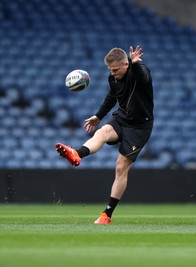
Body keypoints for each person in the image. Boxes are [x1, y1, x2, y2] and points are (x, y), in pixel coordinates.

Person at [56, 45, 154, 224]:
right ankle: (77, 154)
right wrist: (98, 116)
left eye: (116, 69)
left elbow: (144, 78)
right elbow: (111, 97)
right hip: (122, 118)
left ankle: (107, 214)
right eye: (110, 70)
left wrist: (136, 65)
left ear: (126, 64)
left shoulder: (139, 71)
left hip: (140, 126)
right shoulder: (113, 78)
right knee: (102, 132)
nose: (113, 73)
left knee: (120, 167)